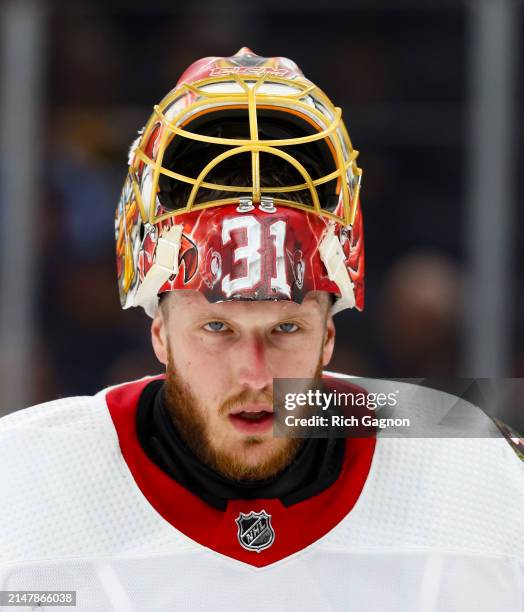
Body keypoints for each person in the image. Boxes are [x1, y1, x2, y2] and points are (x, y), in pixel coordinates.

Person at [0, 48, 523, 612]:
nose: (255, 373)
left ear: (329, 333)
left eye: (286, 329)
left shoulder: (471, 453)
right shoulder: (20, 479)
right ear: (159, 332)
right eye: (218, 327)